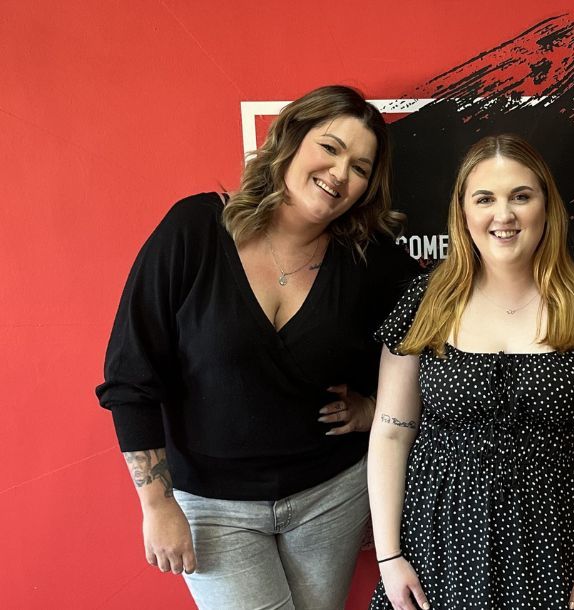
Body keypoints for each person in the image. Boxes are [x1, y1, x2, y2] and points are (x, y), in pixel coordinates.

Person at [96, 85, 420, 610]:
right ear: (290, 140)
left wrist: (373, 409)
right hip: (212, 506)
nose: (340, 173)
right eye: (330, 147)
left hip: (331, 496)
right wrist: (156, 503)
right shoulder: (195, 229)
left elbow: (454, 306)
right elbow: (130, 374)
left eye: (360, 167)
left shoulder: (369, 258)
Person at [367, 134, 574, 610]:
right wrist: (389, 557)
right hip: (440, 547)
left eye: (521, 196)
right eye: (485, 199)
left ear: (546, 206)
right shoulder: (425, 301)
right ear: (463, 212)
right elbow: (392, 432)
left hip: (562, 545)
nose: (504, 215)